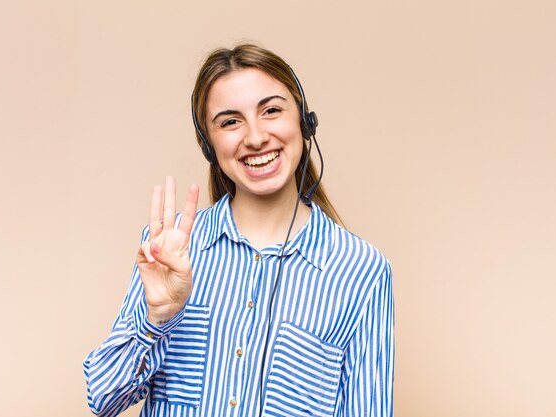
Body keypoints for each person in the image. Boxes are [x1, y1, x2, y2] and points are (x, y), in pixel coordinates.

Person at [84, 43, 394, 417]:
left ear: (304, 122)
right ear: (209, 145)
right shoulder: (170, 252)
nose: (256, 137)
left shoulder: (362, 271)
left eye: (272, 111)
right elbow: (102, 400)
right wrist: (157, 318)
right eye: (230, 121)